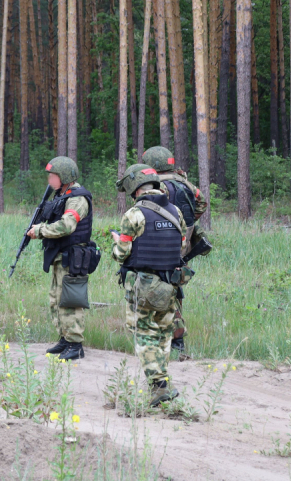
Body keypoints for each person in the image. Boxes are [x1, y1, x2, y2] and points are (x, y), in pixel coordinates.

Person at [111, 163, 186, 407]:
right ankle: (162, 381)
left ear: (135, 188)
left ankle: (159, 386)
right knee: (164, 334)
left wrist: (116, 242)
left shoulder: (134, 215)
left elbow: (121, 254)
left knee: (142, 333)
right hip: (170, 285)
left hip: (142, 286)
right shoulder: (175, 211)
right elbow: (182, 244)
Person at [140, 146, 208, 353]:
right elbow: (202, 203)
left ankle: (174, 341)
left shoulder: (156, 185)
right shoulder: (185, 182)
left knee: (161, 288)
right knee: (176, 287)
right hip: (182, 244)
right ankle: (171, 339)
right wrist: (188, 226)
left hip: (162, 244)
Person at [25, 156, 93, 361]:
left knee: (70, 301)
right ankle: (65, 339)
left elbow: (67, 226)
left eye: (53, 176)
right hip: (60, 256)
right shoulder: (62, 195)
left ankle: (75, 344)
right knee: (56, 299)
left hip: (72, 258)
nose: (49, 180)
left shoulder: (77, 198)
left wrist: (40, 230)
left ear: (65, 177)